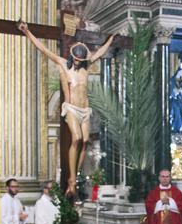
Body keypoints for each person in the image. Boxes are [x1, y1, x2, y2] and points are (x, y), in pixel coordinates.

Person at [19, 21, 115, 197]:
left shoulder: (86, 68)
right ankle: (71, 179)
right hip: (71, 108)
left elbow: (100, 52)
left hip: (85, 109)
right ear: (72, 56)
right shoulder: (63, 64)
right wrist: (27, 32)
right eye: (77, 59)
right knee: (77, 138)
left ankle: (74, 178)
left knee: (85, 141)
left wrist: (110, 40)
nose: (78, 62)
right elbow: (43, 49)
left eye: (81, 60)